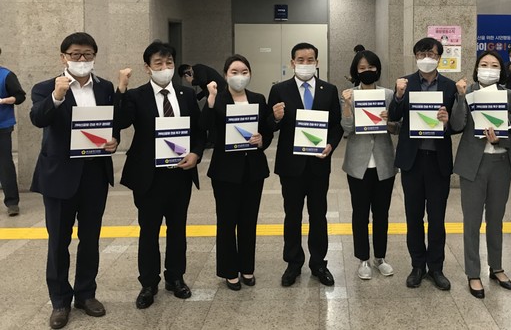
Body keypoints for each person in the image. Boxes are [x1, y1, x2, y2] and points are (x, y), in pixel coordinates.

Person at [30, 32, 119, 329]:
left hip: (94, 174)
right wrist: (57, 97)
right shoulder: (45, 88)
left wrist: (113, 141)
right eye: (75, 54)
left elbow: (110, 124)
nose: (82, 59)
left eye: (87, 54)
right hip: (59, 176)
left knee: (90, 238)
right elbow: (38, 119)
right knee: (58, 241)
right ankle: (59, 301)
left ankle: (85, 293)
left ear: (94, 56)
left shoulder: (104, 87)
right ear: (63, 57)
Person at [115, 41, 205, 310]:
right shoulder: (136, 95)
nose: (165, 68)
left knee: (178, 229)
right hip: (148, 176)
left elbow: (199, 131)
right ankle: (148, 283)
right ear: (147, 68)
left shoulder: (186, 94)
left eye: (169, 63)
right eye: (159, 63)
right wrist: (121, 89)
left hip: (180, 174)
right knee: (149, 231)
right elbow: (120, 121)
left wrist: (196, 153)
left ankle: (175, 278)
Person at [267, 42, 343, 287]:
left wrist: (330, 145)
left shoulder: (328, 90)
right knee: (292, 215)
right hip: (291, 166)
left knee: (318, 215)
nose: (305, 64)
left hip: (319, 164)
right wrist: (275, 118)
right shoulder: (279, 90)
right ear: (292, 63)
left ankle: (319, 263)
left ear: (317, 62)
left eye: (310, 60)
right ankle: (293, 262)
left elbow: (336, 126)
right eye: (300, 60)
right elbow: (269, 126)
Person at [389, 37, 456, 291]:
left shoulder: (449, 87)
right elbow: (393, 116)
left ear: (439, 57)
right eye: (421, 54)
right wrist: (398, 95)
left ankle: (436, 267)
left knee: (437, 218)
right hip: (413, 161)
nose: (426, 58)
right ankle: (417, 265)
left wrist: (447, 121)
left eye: (431, 54)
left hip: (438, 161)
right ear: (415, 56)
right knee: (414, 216)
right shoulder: (405, 83)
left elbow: (457, 124)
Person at [450, 51, 511, 298]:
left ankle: (496, 267)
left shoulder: (510, 96)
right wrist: (460, 97)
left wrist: (502, 140)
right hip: (473, 164)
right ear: (477, 68)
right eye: (484, 64)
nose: (489, 68)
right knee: (472, 220)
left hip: (500, 163)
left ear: (501, 70)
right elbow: (456, 125)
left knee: (496, 219)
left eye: (494, 65)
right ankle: (473, 272)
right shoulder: (467, 93)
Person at [202, 54, 272, 290]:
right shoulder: (218, 99)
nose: (239, 76)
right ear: (225, 75)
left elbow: (266, 131)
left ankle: (247, 268)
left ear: (250, 74)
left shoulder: (258, 99)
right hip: (225, 171)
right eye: (234, 72)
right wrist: (210, 100)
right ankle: (229, 270)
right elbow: (205, 128)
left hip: (253, 170)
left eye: (244, 72)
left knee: (249, 221)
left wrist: (262, 140)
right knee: (227, 221)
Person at [340, 50, 397, 280]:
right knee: (360, 213)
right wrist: (347, 105)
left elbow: (398, 127)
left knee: (381, 213)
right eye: (362, 68)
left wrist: (388, 121)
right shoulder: (349, 95)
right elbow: (346, 128)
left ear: (378, 70)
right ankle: (363, 258)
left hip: (384, 163)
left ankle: (380, 257)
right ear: (356, 71)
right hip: (358, 163)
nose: (367, 71)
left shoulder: (389, 95)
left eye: (371, 68)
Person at [0, 47, 26, 217]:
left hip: (2, 126)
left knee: (5, 164)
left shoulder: (6, 75)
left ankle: (12, 202)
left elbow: (20, 96)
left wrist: (3, 100)